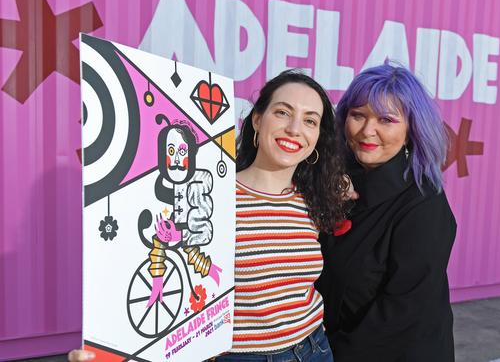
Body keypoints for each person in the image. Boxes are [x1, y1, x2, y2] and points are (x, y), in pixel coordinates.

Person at [68, 70, 347, 362]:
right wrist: (108, 348)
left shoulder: (315, 198)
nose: (294, 128)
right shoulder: (211, 193)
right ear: (256, 120)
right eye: (282, 112)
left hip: (313, 348)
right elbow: (151, 266)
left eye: (310, 121)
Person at [316, 63, 457, 361]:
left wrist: (325, 355)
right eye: (358, 115)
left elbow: (401, 313)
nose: (368, 130)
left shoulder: (424, 203)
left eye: (386, 119)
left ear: (410, 131)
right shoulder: (337, 184)